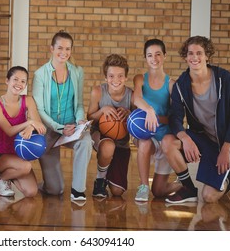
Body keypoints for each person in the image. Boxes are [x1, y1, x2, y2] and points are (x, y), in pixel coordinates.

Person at [162, 36, 230, 204]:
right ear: (185, 57)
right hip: (201, 138)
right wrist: (185, 139)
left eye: (199, 53)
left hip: (224, 143)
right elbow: (175, 117)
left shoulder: (224, 79)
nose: (194, 57)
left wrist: (226, 149)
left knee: (208, 197)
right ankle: (189, 189)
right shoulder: (181, 85)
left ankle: (229, 176)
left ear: (207, 56)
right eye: (190, 53)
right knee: (168, 142)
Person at [32, 30, 93, 203]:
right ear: (51, 48)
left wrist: (80, 120)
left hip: (71, 125)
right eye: (60, 48)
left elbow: (79, 103)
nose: (63, 52)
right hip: (49, 129)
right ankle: (45, 183)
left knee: (86, 141)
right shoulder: (40, 75)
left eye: (67, 49)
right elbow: (40, 110)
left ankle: (78, 190)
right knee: (55, 189)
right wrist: (59, 128)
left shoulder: (77, 72)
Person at [133, 39, 181, 202]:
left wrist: (157, 117)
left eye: (158, 54)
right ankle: (143, 186)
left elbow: (174, 118)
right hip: (148, 137)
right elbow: (136, 98)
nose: (154, 59)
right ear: (145, 58)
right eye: (150, 55)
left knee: (159, 191)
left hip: (165, 139)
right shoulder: (140, 78)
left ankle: (184, 183)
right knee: (144, 142)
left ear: (165, 56)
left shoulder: (171, 84)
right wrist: (149, 110)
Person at [0, 66, 46, 198]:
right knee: (25, 167)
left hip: (18, 153)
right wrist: (29, 123)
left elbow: (40, 126)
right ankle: (0, 179)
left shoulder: (28, 100)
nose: (19, 84)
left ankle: (10, 176)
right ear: (7, 81)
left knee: (31, 192)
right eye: (15, 79)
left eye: (23, 81)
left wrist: (32, 127)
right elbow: (9, 131)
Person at [87, 54, 134, 198]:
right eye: (111, 76)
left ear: (126, 77)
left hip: (121, 141)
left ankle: (109, 173)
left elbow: (138, 121)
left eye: (120, 76)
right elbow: (89, 118)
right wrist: (102, 111)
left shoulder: (131, 96)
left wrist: (130, 114)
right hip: (100, 135)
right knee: (108, 146)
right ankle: (100, 181)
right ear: (106, 77)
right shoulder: (98, 92)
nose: (116, 80)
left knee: (117, 192)